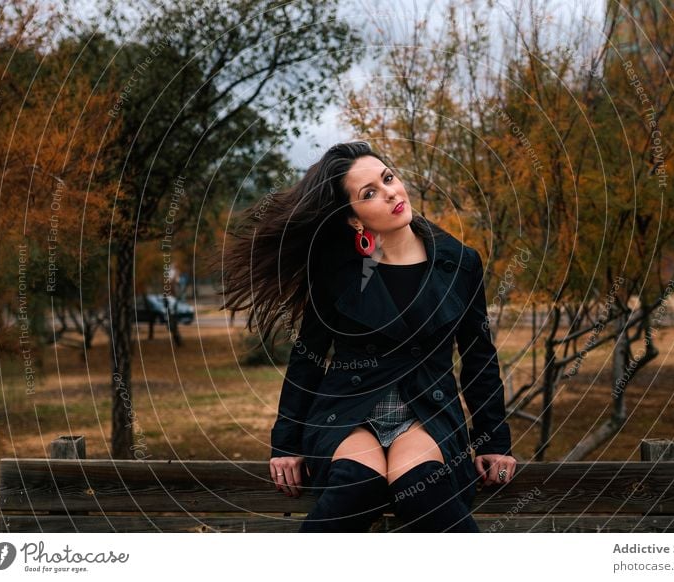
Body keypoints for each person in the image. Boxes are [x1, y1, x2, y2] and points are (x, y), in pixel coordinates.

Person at [218, 141, 516, 532]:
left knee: (420, 487)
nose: (391, 191)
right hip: (348, 414)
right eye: (369, 193)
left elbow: (479, 355)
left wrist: (494, 441)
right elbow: (308, 356)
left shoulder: (459, 262)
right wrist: (286, 444)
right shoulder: (335, 271)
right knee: (359, 485)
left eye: (388, 178)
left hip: (425, 411)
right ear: (354, 219)